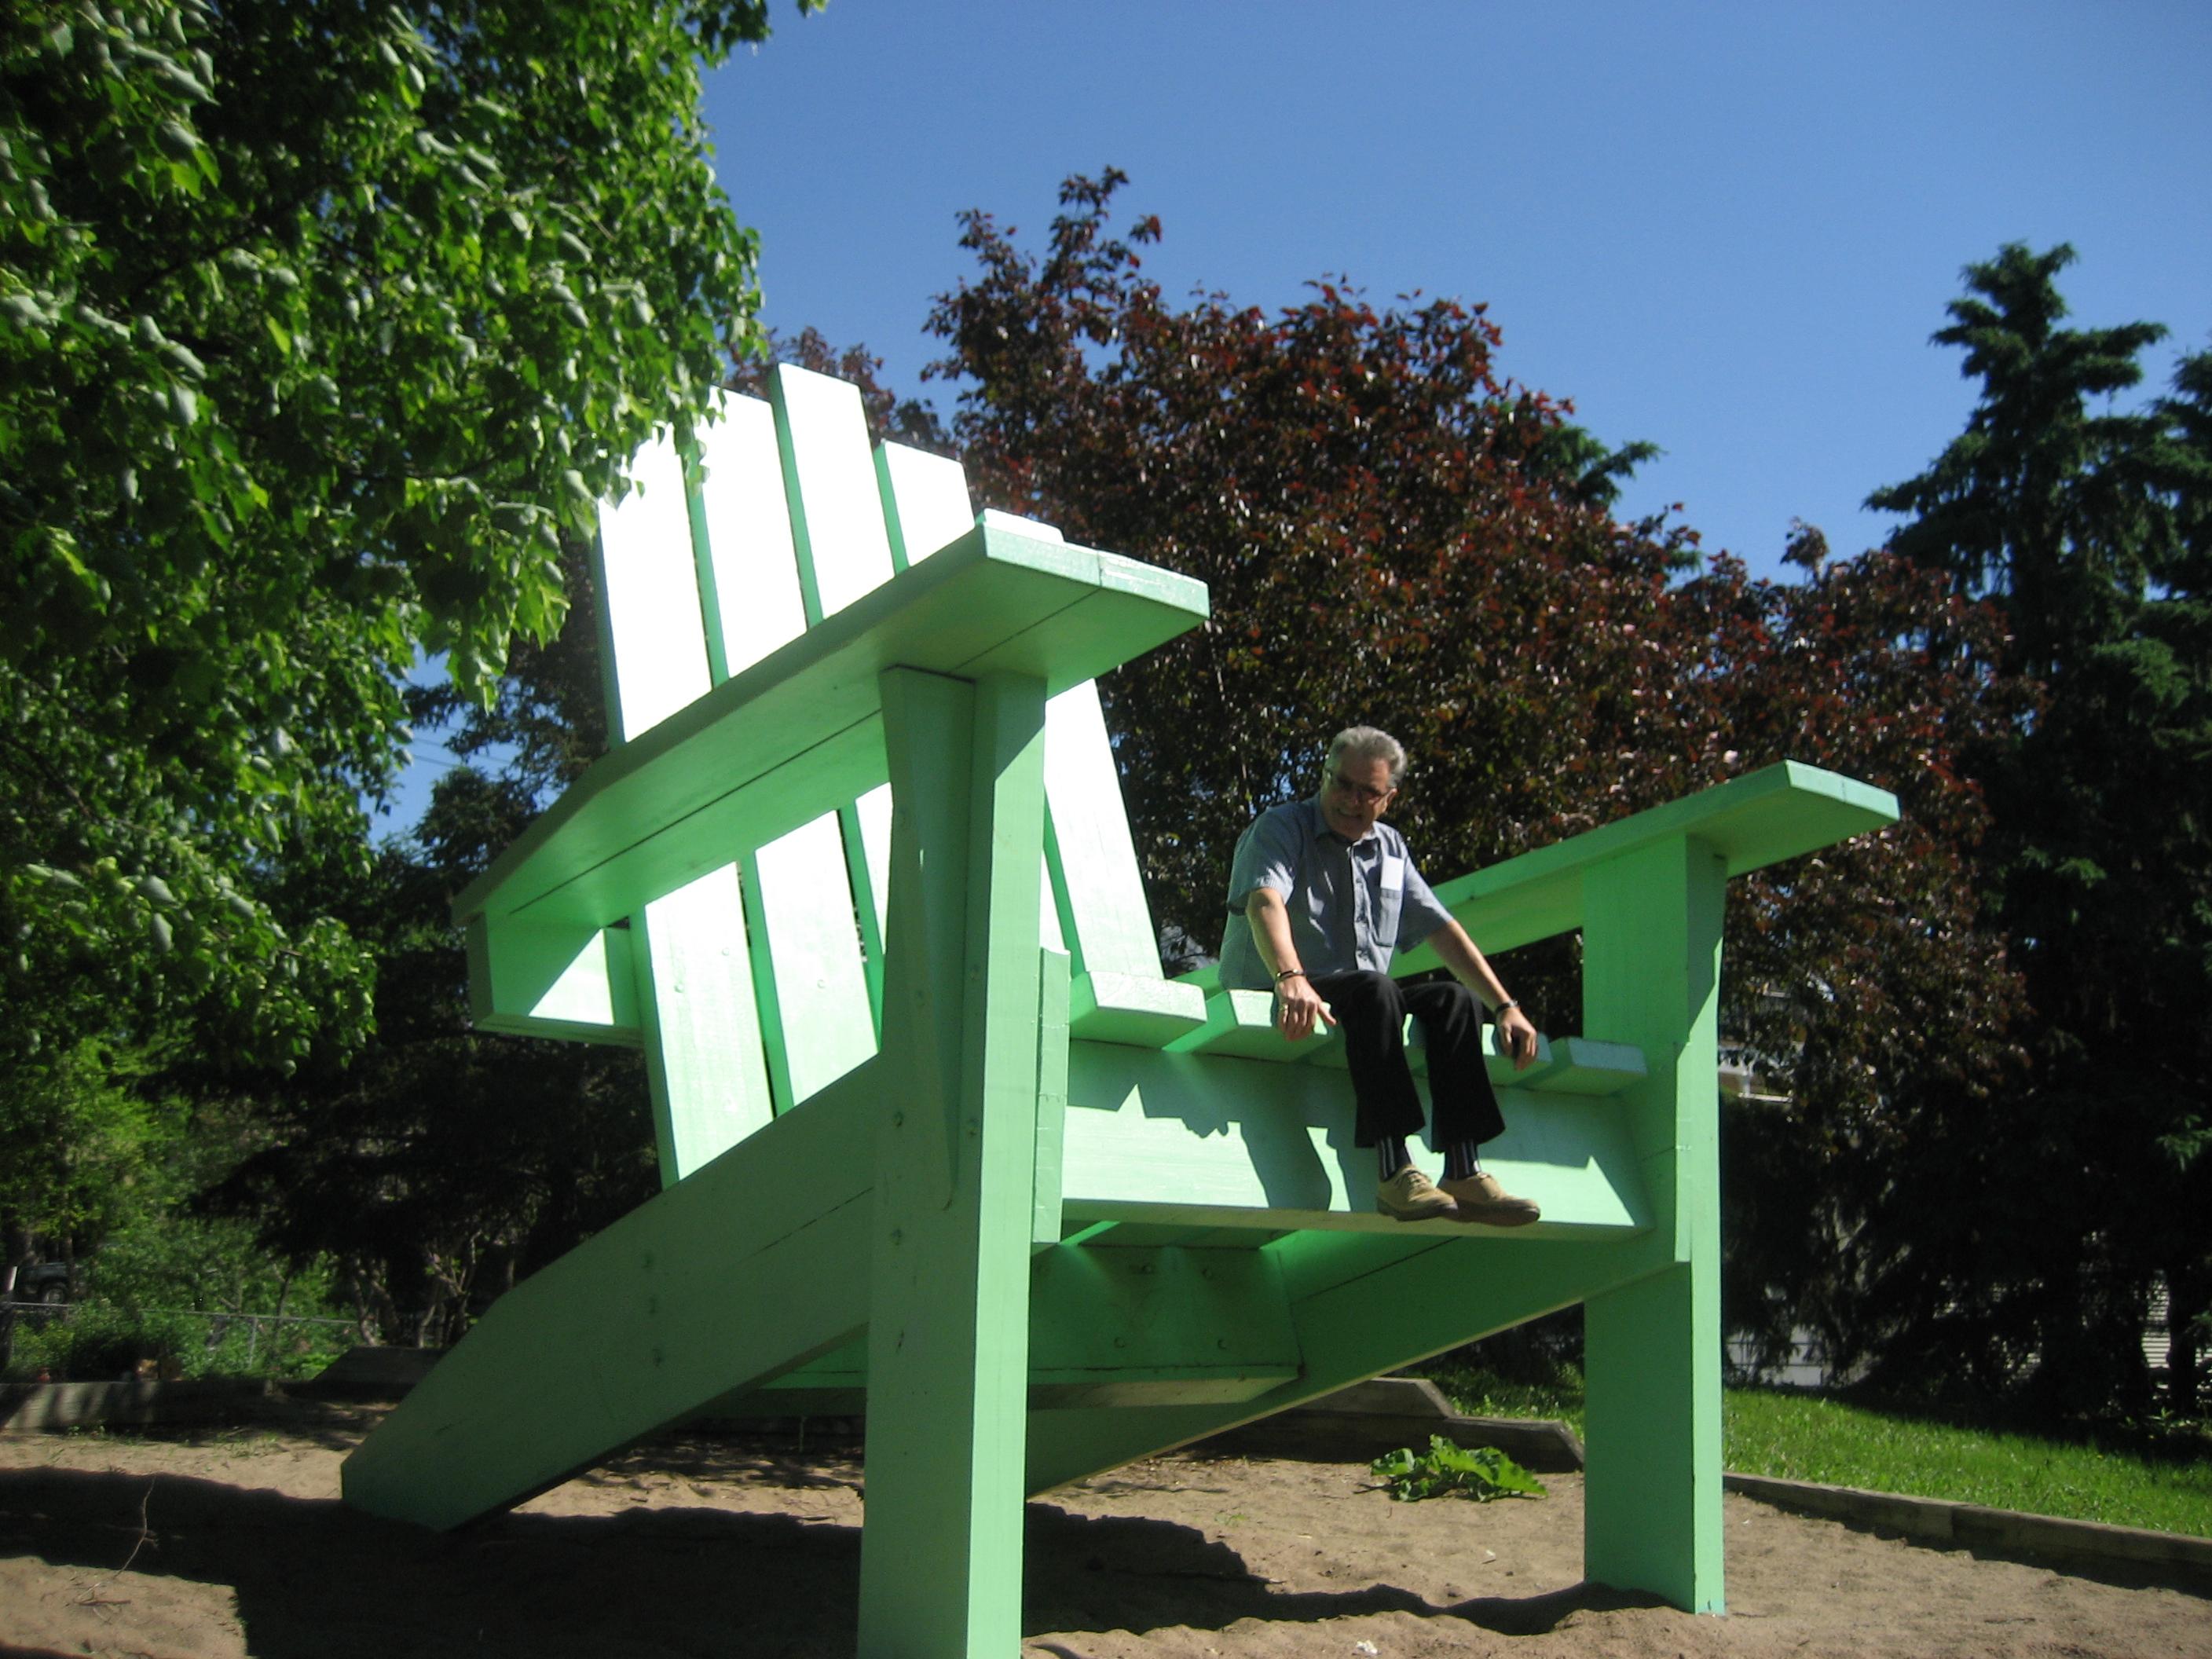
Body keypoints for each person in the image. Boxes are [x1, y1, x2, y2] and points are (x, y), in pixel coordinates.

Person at [1218, 726, 1543, 1224]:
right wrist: (1289, 976)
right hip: (1283, 984)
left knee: (1453, 1000)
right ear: (1324, 776)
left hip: (1361, 995)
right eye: (1340, 783)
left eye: (1367, 791)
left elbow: (1442, 929)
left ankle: (1463, 1168)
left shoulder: (1390, 848)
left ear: (1388, 798)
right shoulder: (1282, 827)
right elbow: (1266, 900)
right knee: (1376, 989)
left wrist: (1506, 1006)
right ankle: (1395, 1171)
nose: (1350, 800)